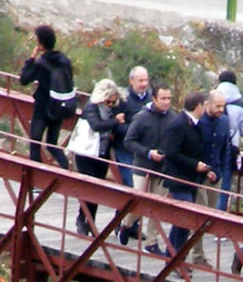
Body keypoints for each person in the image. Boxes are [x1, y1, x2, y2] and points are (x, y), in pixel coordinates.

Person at [158, 91, 218, 259]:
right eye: (204, 105)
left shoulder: (196, 124)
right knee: (185, 218)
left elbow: (196, 150)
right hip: (178, 178)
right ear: (198, 106)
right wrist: (194, 165)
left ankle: (173, 256)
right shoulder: (179, 124)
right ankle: (175, 257)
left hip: (191, 179)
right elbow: (171, 152)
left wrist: (206, 169)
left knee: (183, 221)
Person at [119, 85, 172, 246]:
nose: (166, 102)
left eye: (169, 98)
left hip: (162, 169)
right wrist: (148, 153)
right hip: (142, 166)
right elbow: (129, 141)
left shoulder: (173, 118)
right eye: (163, 98)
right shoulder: (142, 117)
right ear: (154, 99)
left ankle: (152, 242)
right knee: (138, 202)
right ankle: (126, 225)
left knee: (158, 205)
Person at [72, 78, 125, 232]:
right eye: (108, 102)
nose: (111, 105)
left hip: (102, 154)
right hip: (86, 154)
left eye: (113, 102)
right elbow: (96, 126)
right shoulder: (91, 108)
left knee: (97, 189)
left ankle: (90, 221)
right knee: (89, 188)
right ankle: (82, 219)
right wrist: (115, 121)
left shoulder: (112, 110)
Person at [17, 23, 72, 170]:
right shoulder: (65, 60)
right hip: (59, 106)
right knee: (52, 144)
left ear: (40, 43)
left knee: (35, 143)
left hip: (42, 108)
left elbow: (24, 79)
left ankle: (36, 181)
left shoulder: (42, 62)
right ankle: (67, 171)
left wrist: (31, 58)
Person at [214, 70, 243, 210]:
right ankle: (218, 217)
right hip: (231, 147)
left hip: (212, 143)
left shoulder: (213, 98)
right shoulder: (242, 103)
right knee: (225, 183)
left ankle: (202, 216)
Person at [112, 65, 152, 189]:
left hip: (145, 151)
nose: (144, 84)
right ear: (131, 81)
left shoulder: (152, 97)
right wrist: (135, 130)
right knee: (132, 186)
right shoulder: (123, 98)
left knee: (146, 189)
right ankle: (124, 208)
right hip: (125, 150)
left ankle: (123, 209)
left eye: (146, 80)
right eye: (140, 81)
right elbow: (115, 125)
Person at [197, 90, 232, 211]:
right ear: (208, 104)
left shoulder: (225, 121)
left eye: (223, 106)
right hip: (198, 175)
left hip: (216, 175)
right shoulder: (199, 121)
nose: (221, 109)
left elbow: (225, 149)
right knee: (200, 213)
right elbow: (193, 149)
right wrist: (205, 171)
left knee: (212, 214)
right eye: (217, 106)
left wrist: (219, 172)